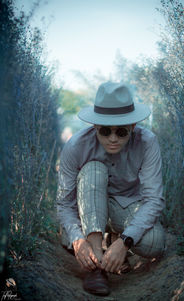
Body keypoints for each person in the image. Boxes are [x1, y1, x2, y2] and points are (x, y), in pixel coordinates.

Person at [56, 82, 166, 296]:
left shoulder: (148, 142)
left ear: (133, 126)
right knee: (94, 169)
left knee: (155, 242)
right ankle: (96, 264)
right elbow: (64, 203)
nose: (113, 138)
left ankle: (115, 239)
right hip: (86, 205)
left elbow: (154, 199)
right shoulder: (76, 145)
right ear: (95, 126)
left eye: (122, 131)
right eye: (105, 131)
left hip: (124, 206)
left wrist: (125, 243)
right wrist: (78, 239)